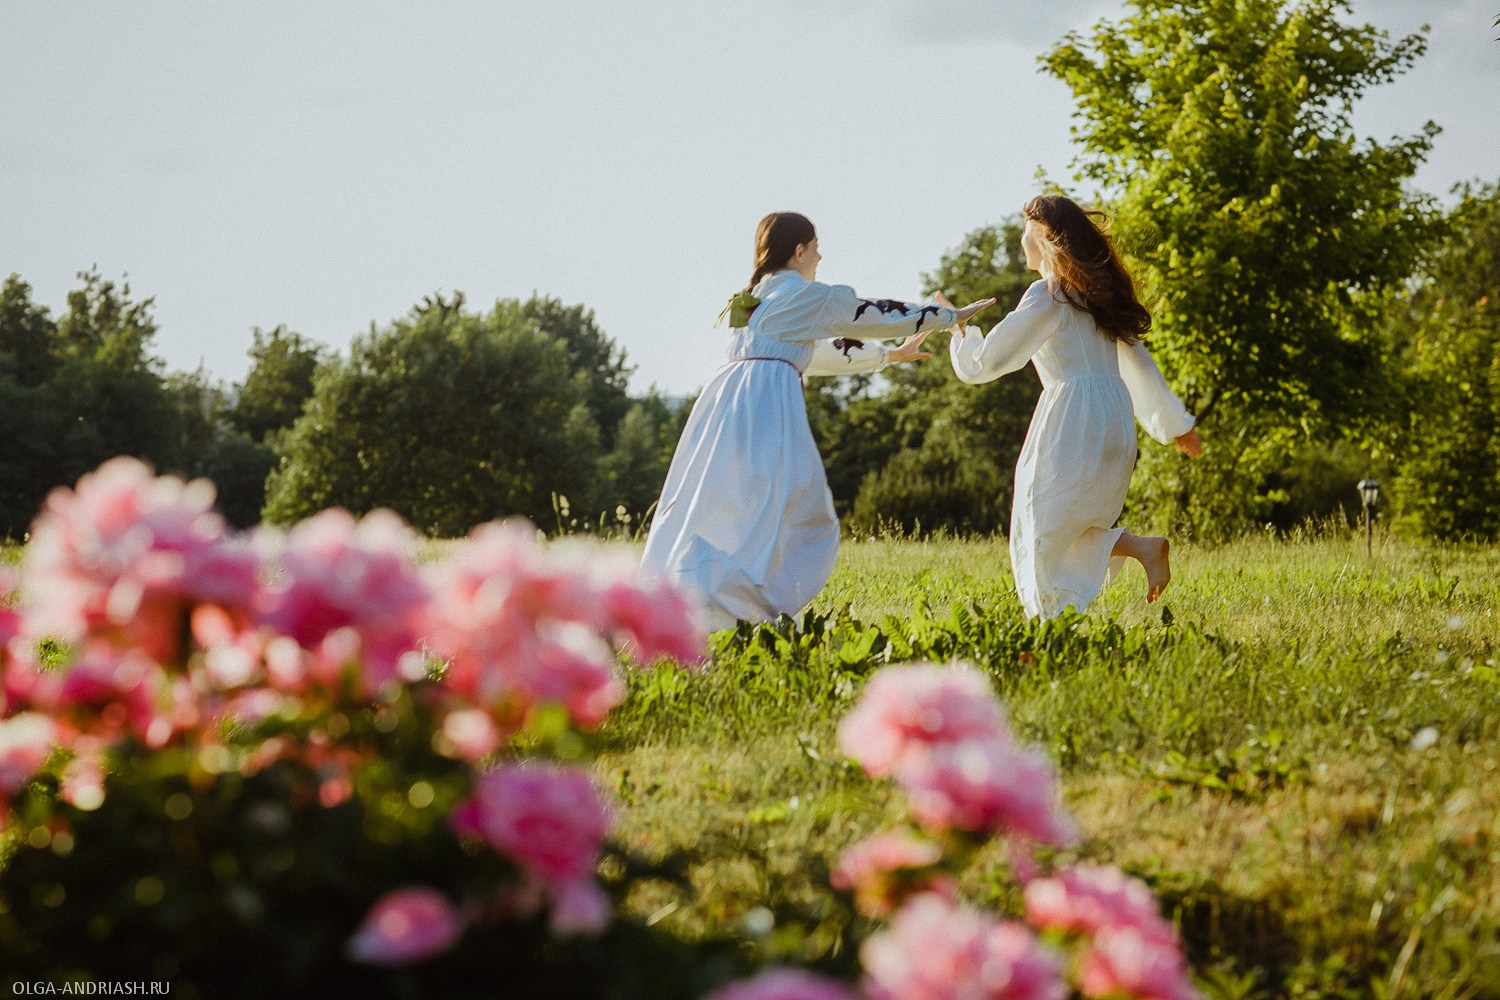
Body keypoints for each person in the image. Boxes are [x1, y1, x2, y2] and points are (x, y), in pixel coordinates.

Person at [641, 212, 995, 631]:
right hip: (764, 407)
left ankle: (699, 602)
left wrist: (888, 355)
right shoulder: (801, 295)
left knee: (728, 502)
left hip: (726, 405)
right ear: (799, 250)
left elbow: (809, 351)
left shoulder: (759, 299)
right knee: (788, 505)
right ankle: (736, 607)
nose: (820, 256)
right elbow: (868, 313)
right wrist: (947, 317)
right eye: (816, 247)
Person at [945, 195, 1203, 619]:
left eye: (1026, 229)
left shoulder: (1049, 294)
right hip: (1113, 418)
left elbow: (986, 363)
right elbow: (1140, 366)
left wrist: (960, 330)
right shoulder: (1095, 296)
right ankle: (1140, 548)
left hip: (1072, 416)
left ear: (1045, 236)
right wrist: (1175, 424)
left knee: (1040, 520)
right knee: (1068, 520)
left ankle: (1050, 625)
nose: (1020, 238)